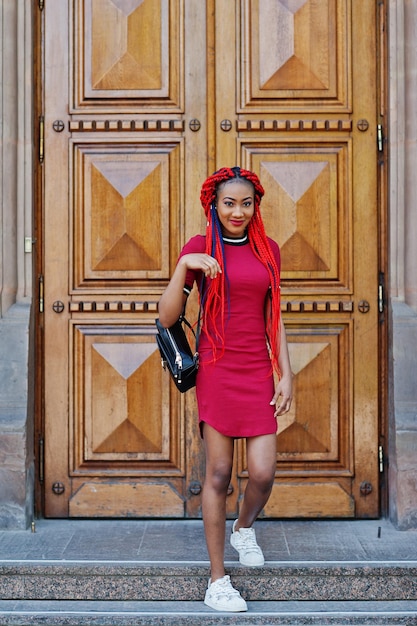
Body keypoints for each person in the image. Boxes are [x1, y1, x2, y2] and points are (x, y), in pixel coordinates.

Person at [158, 166, 293, 612]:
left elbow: (275, 318)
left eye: (246, 203)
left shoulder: (269, 250)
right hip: (217, 369)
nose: (238, 211)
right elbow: (166, 317)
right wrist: (184, 267)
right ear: (214, 206)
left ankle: (244, 528)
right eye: (229, 203)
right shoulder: (200, 249)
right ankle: (217, 580)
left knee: (262, 472)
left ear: (256, 206)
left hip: (257, 370)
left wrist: (285, 373)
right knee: (217, 474)